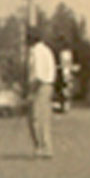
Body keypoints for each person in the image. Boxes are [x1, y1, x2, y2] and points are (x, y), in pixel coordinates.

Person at [27, 28, 57, 158]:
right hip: (48, 85)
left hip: (40, 86)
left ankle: (41, 147)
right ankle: (45, 146)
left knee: (36, 117)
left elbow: (38, 75)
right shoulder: (47, 50)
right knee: (44, 117)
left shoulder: (37, 52)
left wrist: (31, 91)